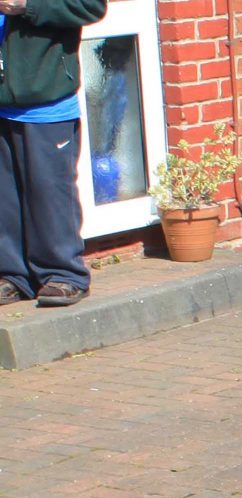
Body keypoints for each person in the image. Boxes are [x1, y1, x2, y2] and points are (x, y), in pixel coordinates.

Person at [0, 0, 107, 308]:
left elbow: (89, 6)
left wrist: (27, 6)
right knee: (5, 198)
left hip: (45, 101)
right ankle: (12, 276)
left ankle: (64, 274)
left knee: (49, 192)